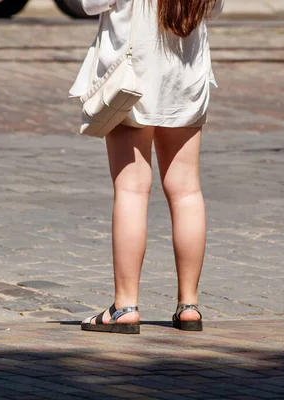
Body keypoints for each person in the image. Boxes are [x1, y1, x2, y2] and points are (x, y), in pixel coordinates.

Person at [69, 0, 225, 334]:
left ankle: (125, 306)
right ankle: (189, 306)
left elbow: (89, 4)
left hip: (133, 78)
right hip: (185, 76)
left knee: (131, 189)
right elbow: (214, 9)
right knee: (186, 191)